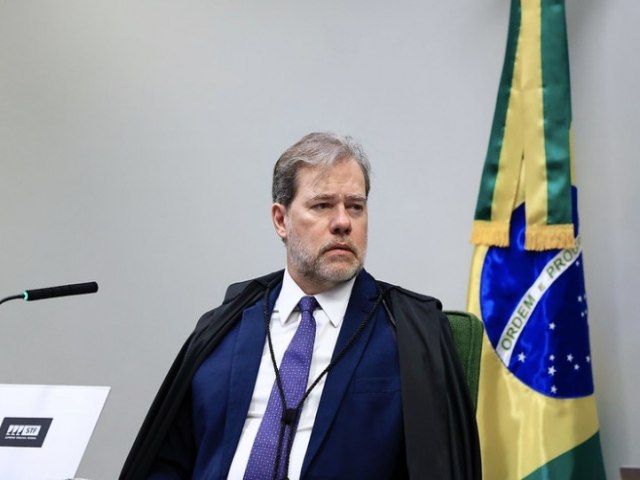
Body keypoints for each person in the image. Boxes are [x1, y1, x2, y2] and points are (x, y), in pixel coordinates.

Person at [120, 132, 481, 479]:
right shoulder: (225, 328)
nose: (343, 222)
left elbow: (438, 465)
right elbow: (166, 461)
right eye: (322, 205)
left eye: (355, 207)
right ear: (281, 220)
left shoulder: (412, 332)